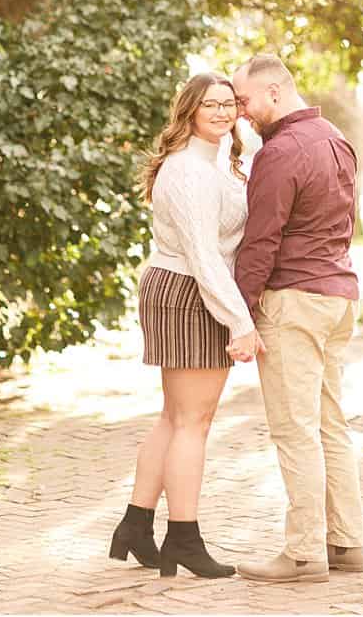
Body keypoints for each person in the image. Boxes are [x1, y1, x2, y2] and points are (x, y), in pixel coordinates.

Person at [110, 72, 264, 579]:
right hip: (188, 292)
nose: (222, 112)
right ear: (190, 111)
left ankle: (135, 524)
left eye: (229, 104)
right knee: (192, 424)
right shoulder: (190, 170)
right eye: (210, 105)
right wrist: (239, 321)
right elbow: (204, 256)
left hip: (179, 288)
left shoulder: (213, 161)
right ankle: (184, 538)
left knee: (174, 418)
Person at [230, 53, 363, 584]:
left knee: (295, 430)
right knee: (331, 424)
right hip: (337, 296)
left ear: (274, 92)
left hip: (295, 301)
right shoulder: (335, 137)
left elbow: (261, 242)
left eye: (244, 101)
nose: (241, 112)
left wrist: (239, 314)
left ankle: (305, 553)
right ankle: (347, 543)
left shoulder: (280, 151)